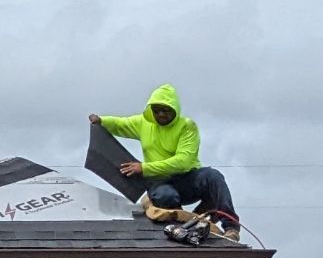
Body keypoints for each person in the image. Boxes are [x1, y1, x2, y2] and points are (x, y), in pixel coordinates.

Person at [91, 84, 239, 228]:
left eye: (166, 110)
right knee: (166, 196)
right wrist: (102, 121)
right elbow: (120, 124)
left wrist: (144, 168)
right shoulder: (144, 123)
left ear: (175, 109)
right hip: (159, 182)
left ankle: (231, 226)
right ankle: (182, 226)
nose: (161, 114)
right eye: (156, 110)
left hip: (186, 180)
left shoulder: (187, 126)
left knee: (213, 177)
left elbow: (183, 162)